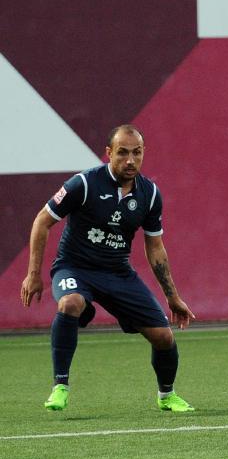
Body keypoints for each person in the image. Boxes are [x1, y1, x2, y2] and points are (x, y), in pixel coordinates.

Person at [20, 125, 195, 412]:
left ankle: (167, 395)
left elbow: (155, 247)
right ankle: (60, 387)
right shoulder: (84, 184)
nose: (130, 160)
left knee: (164, 337)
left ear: (144, 153)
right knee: (71, 302)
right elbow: (42, 221)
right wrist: (33, 274)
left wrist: (172, 297)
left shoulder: (150, 194)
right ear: (109, 153)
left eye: (137, 153)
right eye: (122, 153)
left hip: (117, 273)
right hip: (74, 268)